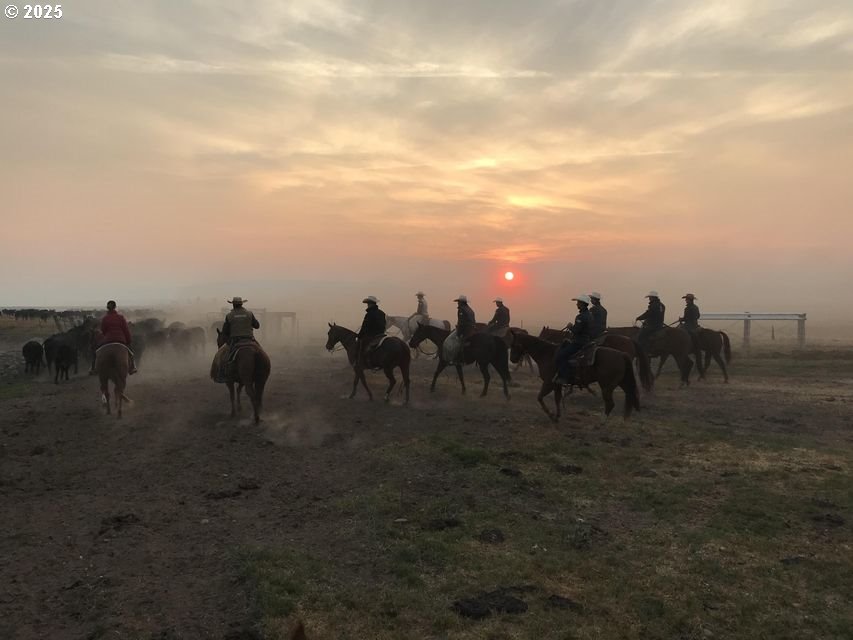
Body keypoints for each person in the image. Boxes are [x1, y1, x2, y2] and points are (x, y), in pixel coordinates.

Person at [554, 295, 593, 385]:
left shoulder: (580, 316)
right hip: (587, 340)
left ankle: (564, 377)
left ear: (582, 304)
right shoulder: (590, 315)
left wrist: (570, 327)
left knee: (561, 356)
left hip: (579, 342)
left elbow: (576, 330)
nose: (577, 304)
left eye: (578, 302)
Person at [219, 296, 260, 379]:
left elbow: (225, 332)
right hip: (249, 339)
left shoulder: (229, 315)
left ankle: (222, 374)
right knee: (260, 350)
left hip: (235, 341)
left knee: (225, 358)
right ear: (241, 304)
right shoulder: (249, 313)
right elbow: (257, 326)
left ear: (233, 305)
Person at [99, 300, 137, 374]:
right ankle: (132, 367)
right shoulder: (121, 318)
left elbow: (103, 330)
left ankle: (94, 367)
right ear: (115, 307)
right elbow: (126, 330)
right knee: (131, 353)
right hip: (121, 340)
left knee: (97, 351)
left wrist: (106, 337)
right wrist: (129, 341)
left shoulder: (105, 318)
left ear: (107, 308)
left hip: (108, 340)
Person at [357, 296, 386, 367]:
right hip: (381, 334)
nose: (367, 305)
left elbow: (365, 326)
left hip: (372, 335)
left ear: (371, 304)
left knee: (360, 345)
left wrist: (359, 335)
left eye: (368, 303)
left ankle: (361, 362)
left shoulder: (369, 314)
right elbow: (384, 324)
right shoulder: (382, 313)